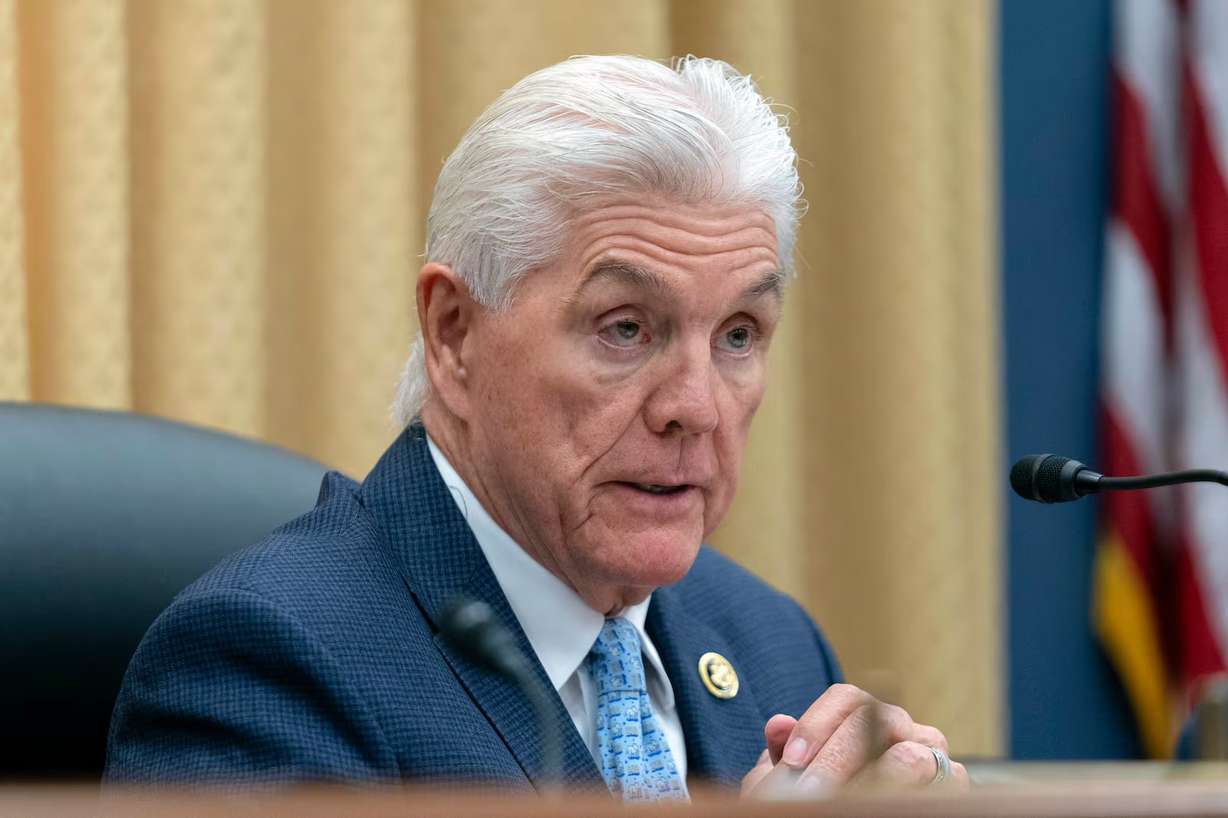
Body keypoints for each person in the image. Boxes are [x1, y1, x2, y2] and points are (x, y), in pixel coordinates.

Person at [105, 54, 968, 800]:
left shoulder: (769, 642)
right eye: (626, 327)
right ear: (453, 332)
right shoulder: (266, 665)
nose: (696, 407)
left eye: (738, 335)